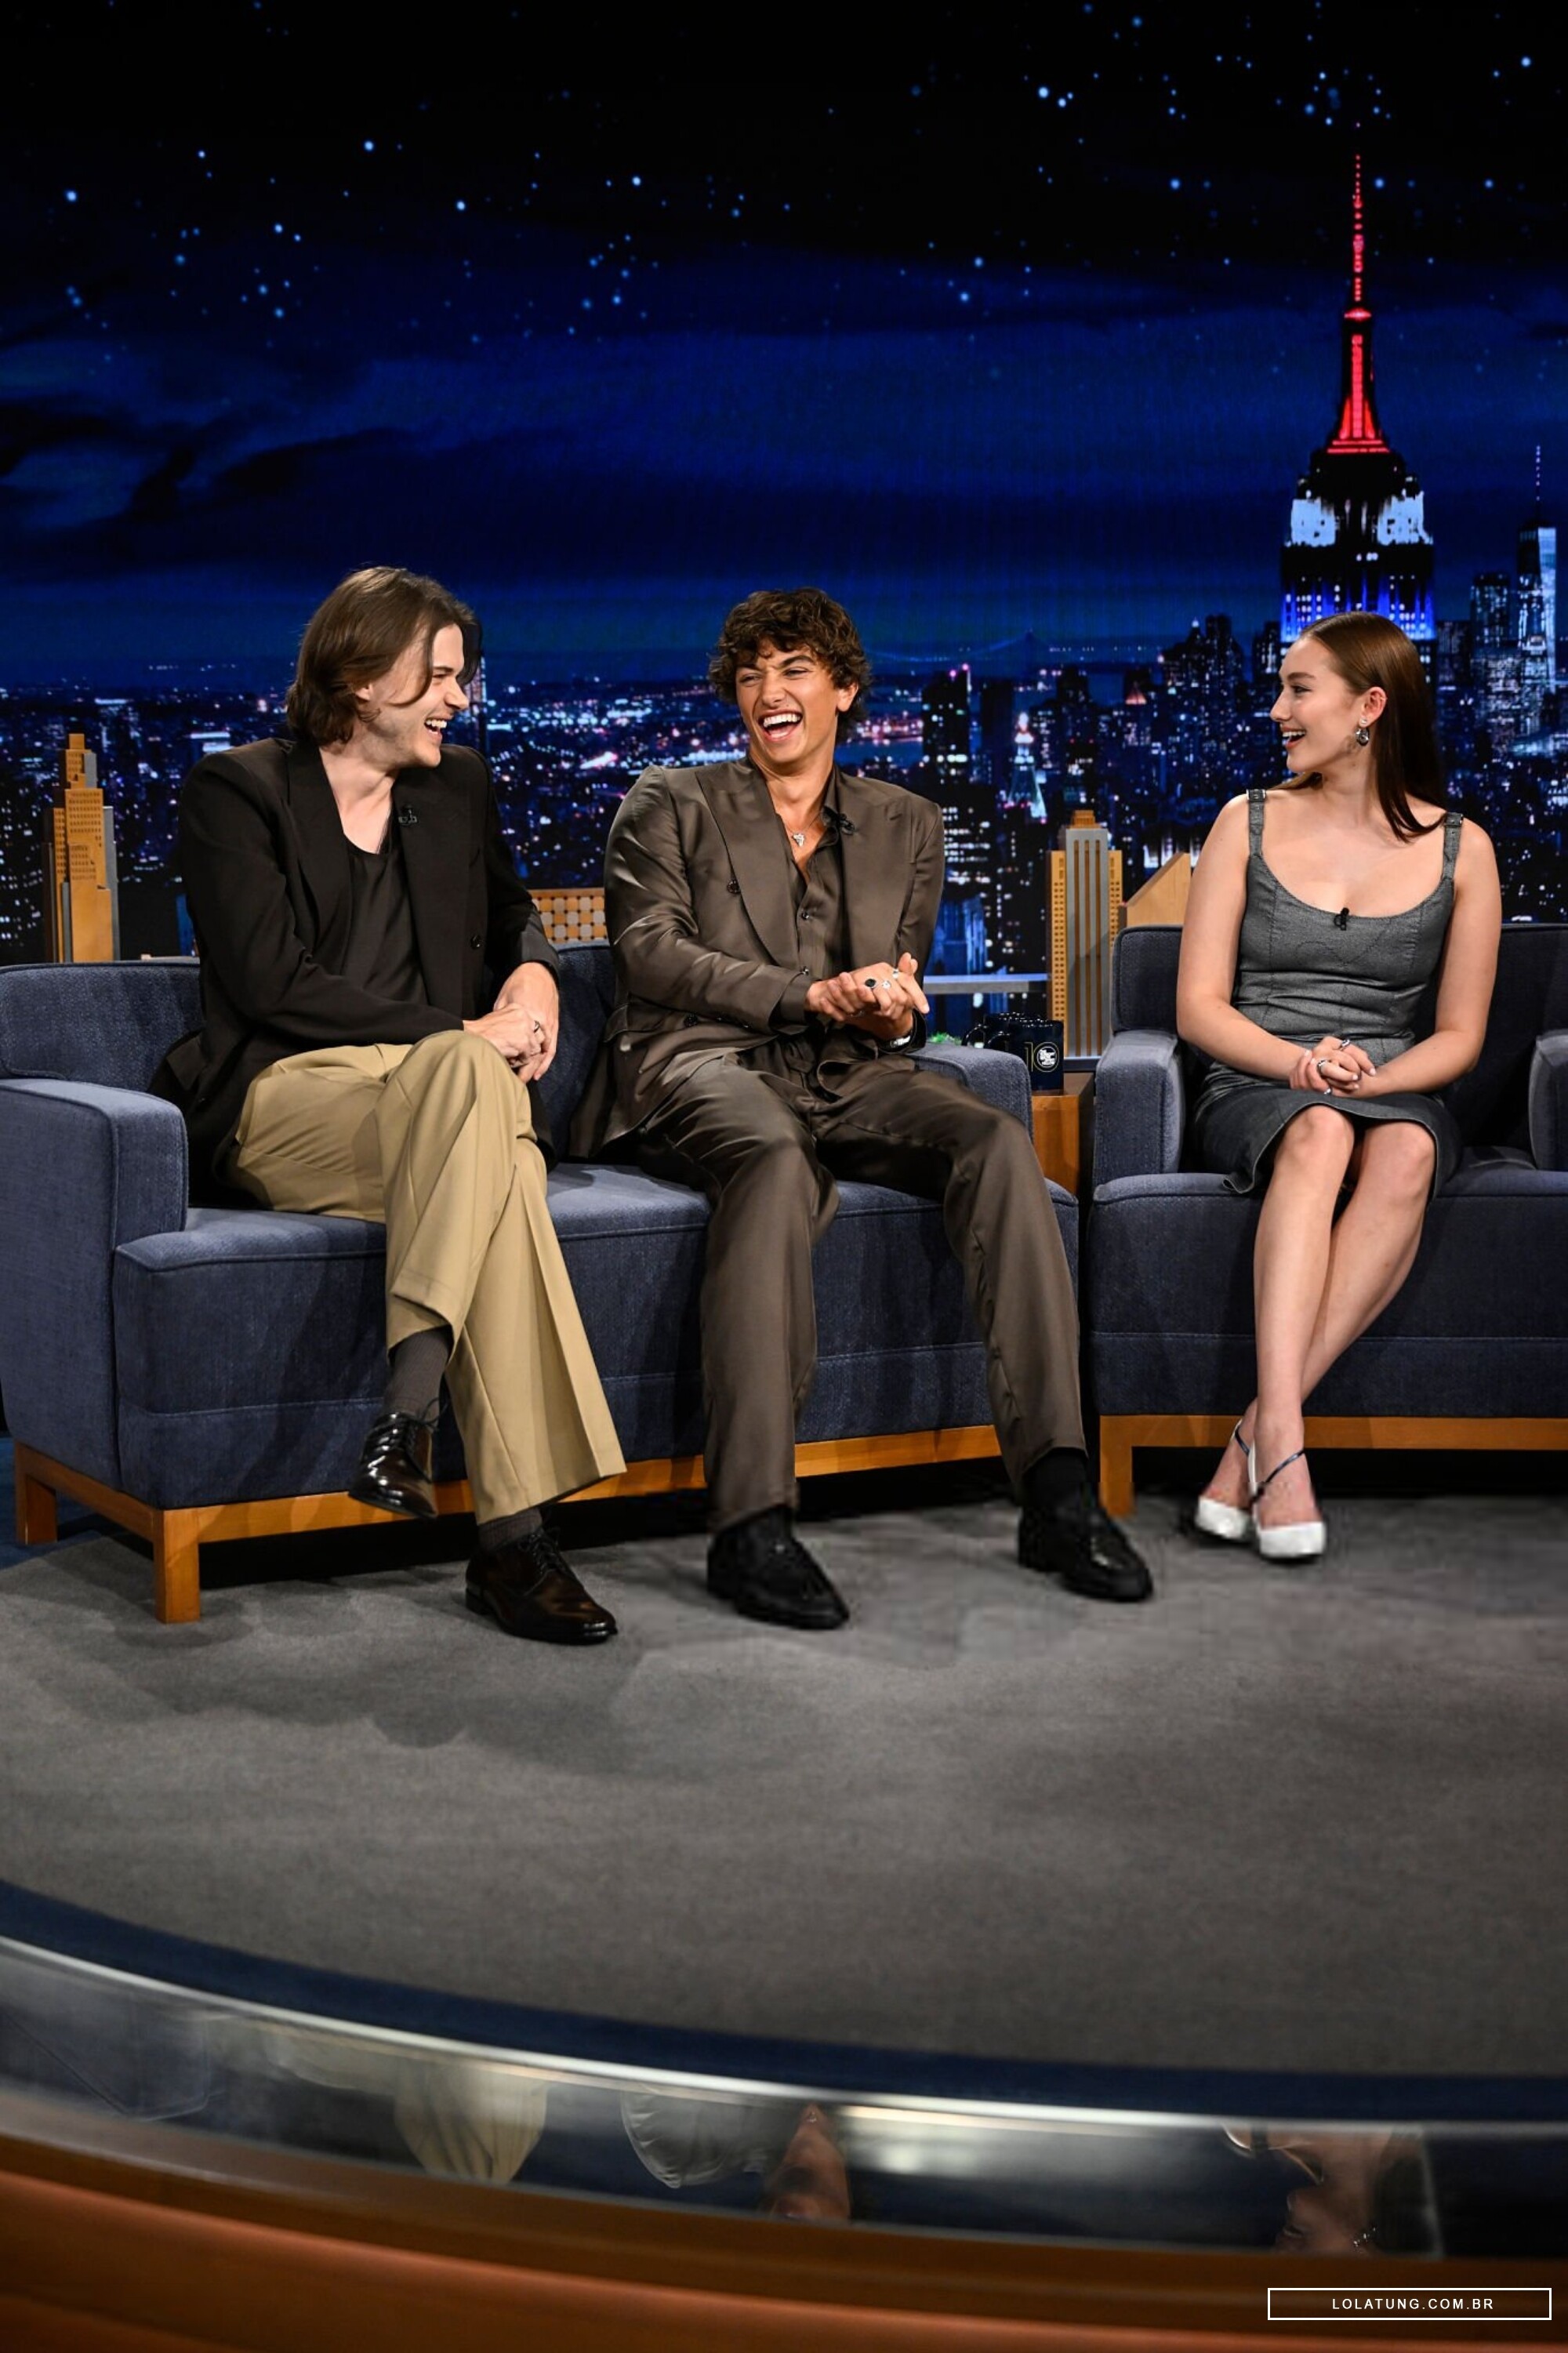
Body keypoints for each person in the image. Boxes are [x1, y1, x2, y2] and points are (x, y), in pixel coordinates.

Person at [570, 585, 1152, 1628]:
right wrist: (810, 995)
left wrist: (885, 1008)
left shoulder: (908, 824)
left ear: (842, 689)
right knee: (771, 1160)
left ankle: (1058, 1492)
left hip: (844, 1070)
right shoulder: (669, 801)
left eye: (793, 669)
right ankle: (750, 1524)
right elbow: (649, 955)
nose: (767, 690)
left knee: (996, 1141)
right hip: (699, 1061)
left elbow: (894, 982)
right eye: (750, 673)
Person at [154, 566, 626, 1643]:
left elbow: (513, 910)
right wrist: (464, 1031)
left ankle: (411, 1440)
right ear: (364, 678)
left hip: (442, 1095)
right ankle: (506, 1531)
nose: (461, 698)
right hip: (293, 1090)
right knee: (487, 1114)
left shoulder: (456, 787)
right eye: (441, 676)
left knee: (477, 1108)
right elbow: (270, 983)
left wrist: (537, 973)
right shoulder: (238, 791)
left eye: (464, 677)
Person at [1177, 611, 1501, 1560]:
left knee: (1404, 1148)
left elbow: (1459, 1037)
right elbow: (1198, 1008)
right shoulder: (1244, 820)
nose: (1276, 710)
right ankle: (1284, 1447)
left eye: (1297, 689)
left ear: (1368, 707)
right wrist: (1297, 1067)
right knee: (1317, 1131)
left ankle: (1253, 1438)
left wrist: (1376, 1080)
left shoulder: (1462, 850)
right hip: (1256, 1078)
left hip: (1388, 1083)